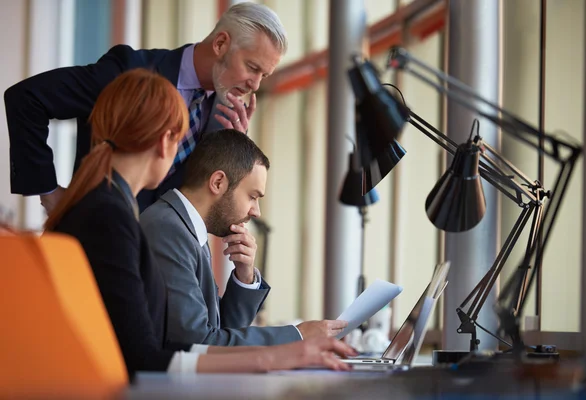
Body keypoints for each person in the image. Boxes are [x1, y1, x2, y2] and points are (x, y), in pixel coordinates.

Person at [44, 69, 355, 378]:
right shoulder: (115, 218)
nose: (256, 211)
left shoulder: (108, 208)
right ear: (167, 141)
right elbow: (150, 354)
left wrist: (250, 287)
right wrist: (276, 354)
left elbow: (193, 336)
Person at [4, 2, 287, 213]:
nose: (256, 85)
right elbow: (27, 98)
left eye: (264, 75)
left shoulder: (223, 115)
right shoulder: (130, 71)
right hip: (89, 250)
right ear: (221, 43)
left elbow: (200, 203)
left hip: (153, 275)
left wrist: (232, 150)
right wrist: (48, 191)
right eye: (252, 68)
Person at [140, 129, 347, 346]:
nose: (256, 211)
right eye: (252, 196)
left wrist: (245, 276)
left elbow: (219, 333)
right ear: (218, 182)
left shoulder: (186, 228)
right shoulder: (169, 229)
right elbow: (199, 342)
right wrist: (298, 335)